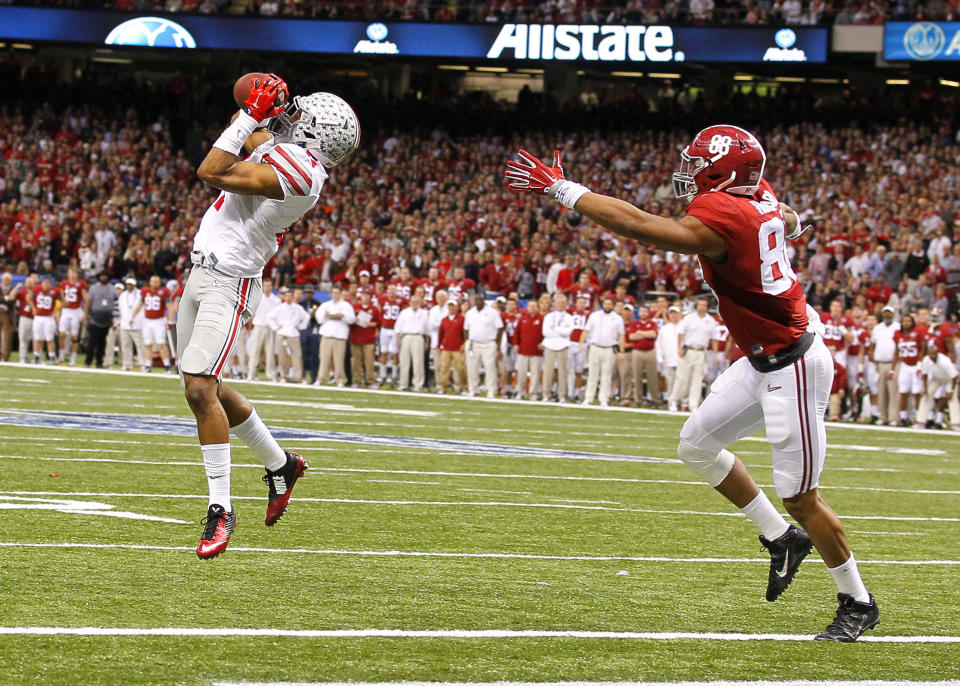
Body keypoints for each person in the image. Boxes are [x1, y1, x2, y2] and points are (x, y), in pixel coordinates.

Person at [505, 125, 879, 641]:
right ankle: (781, 540)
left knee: (801, 497)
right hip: (763, 356)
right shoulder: (757, 194)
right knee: (696, 445)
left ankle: (857, 600)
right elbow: (785, 215)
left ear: (723, 171)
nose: (690, 172)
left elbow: (639, 225)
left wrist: (564, 189)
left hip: (793, 365)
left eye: (699, 163)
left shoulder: (725, 214)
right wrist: (790, 226)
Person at [180, 74, 359, 558]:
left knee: (199, 387)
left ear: (315, 135)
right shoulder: (289, 150)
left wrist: (253, 114)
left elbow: (212, 169)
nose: (291, 116)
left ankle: (221, 508)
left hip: (231, 281)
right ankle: (281, 465)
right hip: (202, 271)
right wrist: (259, 103)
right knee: (206, 387)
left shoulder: (302, 172)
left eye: (300, 116)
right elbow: (243, 131)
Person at [670, 297, 719, 412]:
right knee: (682, 378)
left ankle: (693, 405)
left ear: (707, 307)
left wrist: (715, 354)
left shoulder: (710, 321)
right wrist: (679, 347)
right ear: (696, 306)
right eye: (700, 305)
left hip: (701, 352)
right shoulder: (689, 318)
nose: (702, 307)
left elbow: (714, 338)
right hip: (688, 350)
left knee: (697, 380)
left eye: (704, 305)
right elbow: (680, 333)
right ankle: (674, 400)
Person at [580, 295, 625, 407]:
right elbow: (586, 330)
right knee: (592, 373)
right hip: (595, 346)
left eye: (610, 304)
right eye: (606, 304)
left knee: (607, 375)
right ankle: (588, 398)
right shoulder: (594, 316)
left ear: (613, 306)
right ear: (602, 305)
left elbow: (621, 336)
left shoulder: (618, 318)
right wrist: (581, 343)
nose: (607, 306)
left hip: (609, 349)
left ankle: (603, 399)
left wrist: (621, 350)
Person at [464, 292, 503, 398]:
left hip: (488, 343)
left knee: (490, 367)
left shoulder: (492, 312)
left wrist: (497, 343)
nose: (477, 302)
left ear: (483, 300)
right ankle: (473, 389)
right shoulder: (470, 313)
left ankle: (491, 390)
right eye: (475, 300)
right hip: (473, 343)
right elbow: (466, 329)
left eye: (479, 300)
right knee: (472, 367)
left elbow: (500, 328)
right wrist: (468, 341)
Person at [315, 284, 356, 386]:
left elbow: (351, 319)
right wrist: (329, 316)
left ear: (341, 294)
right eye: (333, 293)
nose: (335, 295)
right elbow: (319, 319)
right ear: (331, 294)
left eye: (337, 293)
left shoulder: (346, 306)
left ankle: (340, 379)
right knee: (324, 359)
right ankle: (321, 378)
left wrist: (341, 316)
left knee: (339, 360)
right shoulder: (325, 305)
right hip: (327, 335)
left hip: (340, 336)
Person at [267, 287, 311, 383]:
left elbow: (306, 317)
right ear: (284, 297)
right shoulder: (279, 308)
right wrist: (276, 327)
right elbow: (269, 317)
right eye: (286, 296)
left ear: (292, 297)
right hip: (282, 333)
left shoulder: (298, 308)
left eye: (290, 296)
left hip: (294, 334)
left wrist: (301, 326)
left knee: (297, 355)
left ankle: (299, 376)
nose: (288, 298)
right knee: (282, 356)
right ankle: (283, 376)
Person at [247, 276, 281, 381]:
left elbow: (278, 315)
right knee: (255, 350)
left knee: (270, 352)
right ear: (263, 286)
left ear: (272, 287)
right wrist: (250, 327)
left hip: (270, 328)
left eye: (269, 285)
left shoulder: (276, 300)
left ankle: (271, 374)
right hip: (258, 326)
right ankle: (251, 374)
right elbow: (252, 314)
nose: (268, 287)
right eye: (266, 285)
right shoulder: (258, 298)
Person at [541, 292, 574, 402]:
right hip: (550, 345)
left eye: (563, 303)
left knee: (562, 371)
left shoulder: (568, 317)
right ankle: (546, 394)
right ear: (554, 304)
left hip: (563, 345)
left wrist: (555, 329)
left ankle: (562, 395)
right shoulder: (549, 316)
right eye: (558, 303)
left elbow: (568, 332)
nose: (560, 305)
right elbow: (546, 332)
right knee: (548, 371)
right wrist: (560, 331)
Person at [394, 293, 430, 391]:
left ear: (420, 303)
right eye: (413, 302)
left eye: (417, 302)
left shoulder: (424, 313)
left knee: (418, 361)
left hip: (418, 337)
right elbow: (398, 327)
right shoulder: (404, 313)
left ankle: (418, 384)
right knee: (404, 361)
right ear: (410, 302)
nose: (415, 304)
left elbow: (427, 329)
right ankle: (403, 383)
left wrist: (426, 341)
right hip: (406, 337)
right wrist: (398, 339)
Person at [140, 274, 175, 373]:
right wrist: (133, 316)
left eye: (156, 281)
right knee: (148, 344)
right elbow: (139, 305)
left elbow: (170, 307)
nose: (155, 283)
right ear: (150, 282)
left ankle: (167, 366)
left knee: (161, 344)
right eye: (153, 281)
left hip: (159, 321)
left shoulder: (163, 292)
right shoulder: (145, 291)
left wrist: (170, 320)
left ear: (159, 282)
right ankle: (147, 365)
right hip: (147, 321)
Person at [628, 304, 660, 407]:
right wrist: (647, 334)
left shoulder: (652, 323)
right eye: (641, 311)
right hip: (637, 352)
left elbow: (653, 334)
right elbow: (632, 337)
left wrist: (640, 332)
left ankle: (656, 400)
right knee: (637, 377)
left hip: (650, 351)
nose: (643, 313)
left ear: (648, 313)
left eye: (645, 311)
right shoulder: (634, 323)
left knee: (652, 378)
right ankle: (638, 400)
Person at [513, 299, 544, 400]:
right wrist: (515, 344)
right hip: (523, 350)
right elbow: (516, 333)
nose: (532, 308)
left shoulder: (542, 319)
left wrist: (543, 343)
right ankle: (521, 391)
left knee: (535, 373)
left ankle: (533, 392)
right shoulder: (522, 319)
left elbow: (546, 334)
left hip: (536, 352)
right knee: (521, 372)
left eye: (534, 306)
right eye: (530, 306)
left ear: (538, 307)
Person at [349, 289, 381, 388]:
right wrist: (354, 320)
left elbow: (378, 322)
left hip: (369, 339)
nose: (365, 297)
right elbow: (349, 321)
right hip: (356, 338)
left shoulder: (374, 309)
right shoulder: (355, 308)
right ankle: (357, 381)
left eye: (367, 295)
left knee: (369, 362)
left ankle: (370, 381)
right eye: (363, 295)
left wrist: (371, 324)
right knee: (357, 362)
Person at [84, 272, 116, 368]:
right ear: (99, 277)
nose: (103, 277)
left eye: (105, 276)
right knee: (92, 342)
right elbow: (89, 302)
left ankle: (99, 361)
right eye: (102, 276)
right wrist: (86, 315)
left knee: (102, 342)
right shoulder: (93, 288)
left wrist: (114, 317)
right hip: (95, 316)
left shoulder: (112, 289)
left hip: (107, 317)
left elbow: (115, 302)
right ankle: (88, 361)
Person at [57, 267, 88, 366]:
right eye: (71, 272)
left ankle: (73, 357)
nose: (73, 275)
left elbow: (85, 297)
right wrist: (61, 304)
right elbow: (61, 296)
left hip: (75, 310)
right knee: (61, 334)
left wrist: (86, 312)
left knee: (75, 336)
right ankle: (61, 355)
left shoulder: (81, 284)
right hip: (66, 311)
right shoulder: (63, 283)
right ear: (68, 273)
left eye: (74, 273)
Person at [436, 298, 466, 394]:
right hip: (446, 348)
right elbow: (441, 334)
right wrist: (439, 345)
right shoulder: (444, 320)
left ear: (457, 307)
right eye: (450, 306)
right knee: (444, 369)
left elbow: (465, 333)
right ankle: (443, 387)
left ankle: (464, 387)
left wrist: (464, 344)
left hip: (457, 348)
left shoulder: (462, 319)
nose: (451, 308)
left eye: (453, 306)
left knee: (461, 369)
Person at [29, 276, 60, 364]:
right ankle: (36, 357)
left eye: (48, 282)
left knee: (49, 339)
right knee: (38, 338)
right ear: (41, 283)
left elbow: (63, 302)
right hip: (38, 317)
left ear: (50, 284)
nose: (46, 284)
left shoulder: (54, 291)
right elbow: (28, 298)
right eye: (44, 282)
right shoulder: (36, 289)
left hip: (48, 318)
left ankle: (52, 358)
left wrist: (56, 311)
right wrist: (33, 308)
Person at [118, 277, 146, 372]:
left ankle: (143, 364)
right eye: (128, 284)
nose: (129, 286)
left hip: (137, 323)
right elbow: (121, 309)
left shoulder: (140, 294)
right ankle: (126, 364)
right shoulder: (122, 295)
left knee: (140, 345)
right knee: (125, 345)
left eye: (131, 284)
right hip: (125, 324)